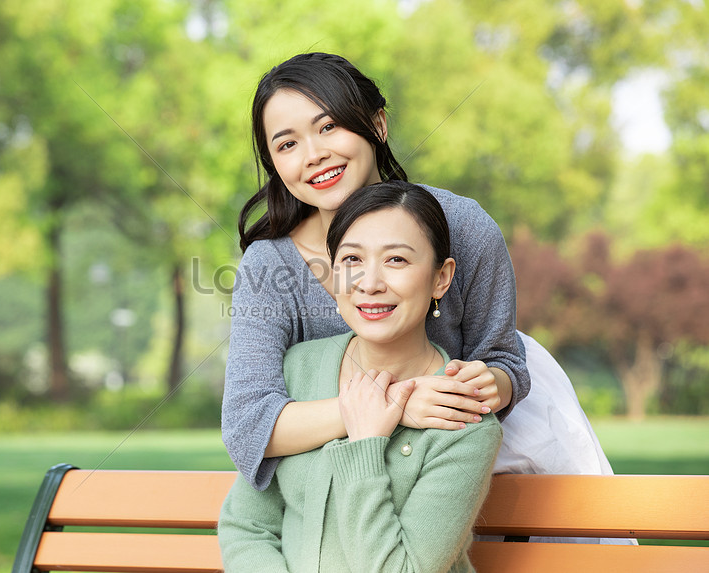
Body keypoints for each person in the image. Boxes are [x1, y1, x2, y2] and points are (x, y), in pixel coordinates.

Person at [222, 53, 616, 530]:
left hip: (465, 471)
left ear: (377, 124)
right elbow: (250, 426)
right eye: (287, 144)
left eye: (328, 127)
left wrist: (490, 385)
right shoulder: (270, 266)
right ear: (274, 164)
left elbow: (505, 361)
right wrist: (398, 404)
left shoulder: (462, 226)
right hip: (338, 499)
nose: (313, 155)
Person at [218, 180, 502, 572]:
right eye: (352, 260)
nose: (370, 283)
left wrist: (366, 445)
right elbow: (247, 526)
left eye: (397, 260)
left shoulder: (463, 420)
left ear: (441, 278)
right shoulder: (299, 370)